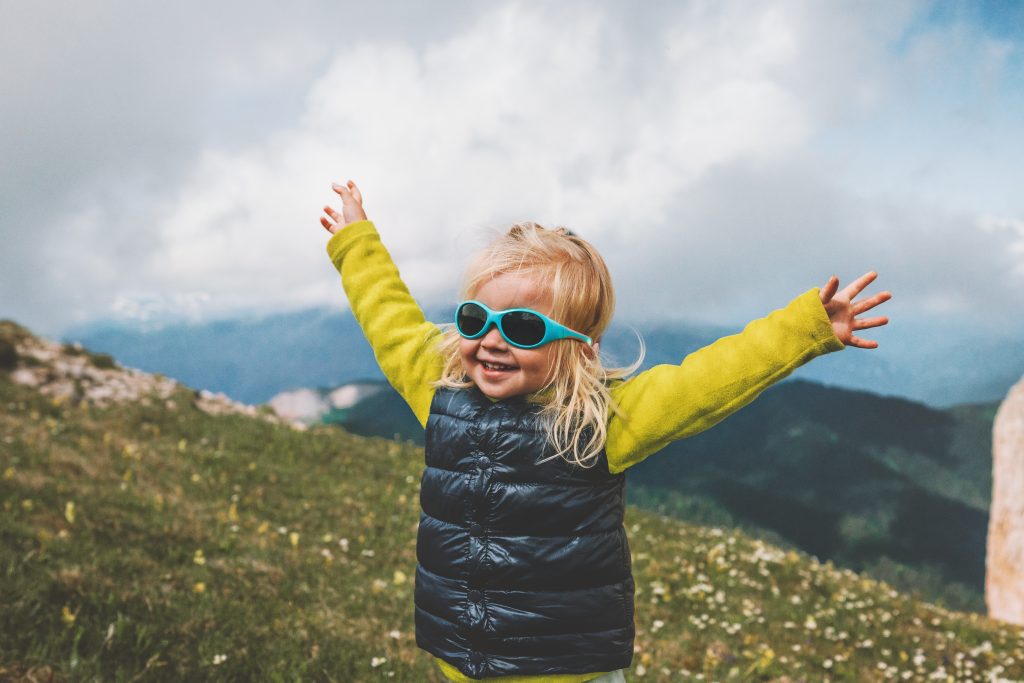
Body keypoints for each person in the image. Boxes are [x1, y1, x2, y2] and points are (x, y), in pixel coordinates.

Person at [319, 180, 891, 683]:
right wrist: (357, 242)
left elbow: (709, 379)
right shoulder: (440, 387)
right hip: (459, 660)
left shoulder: (600, 422)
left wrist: (807, 328)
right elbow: (389, 319)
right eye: (476, 318)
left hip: (566, 671)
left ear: (580, 346)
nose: (491, 340)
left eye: (521, 326)